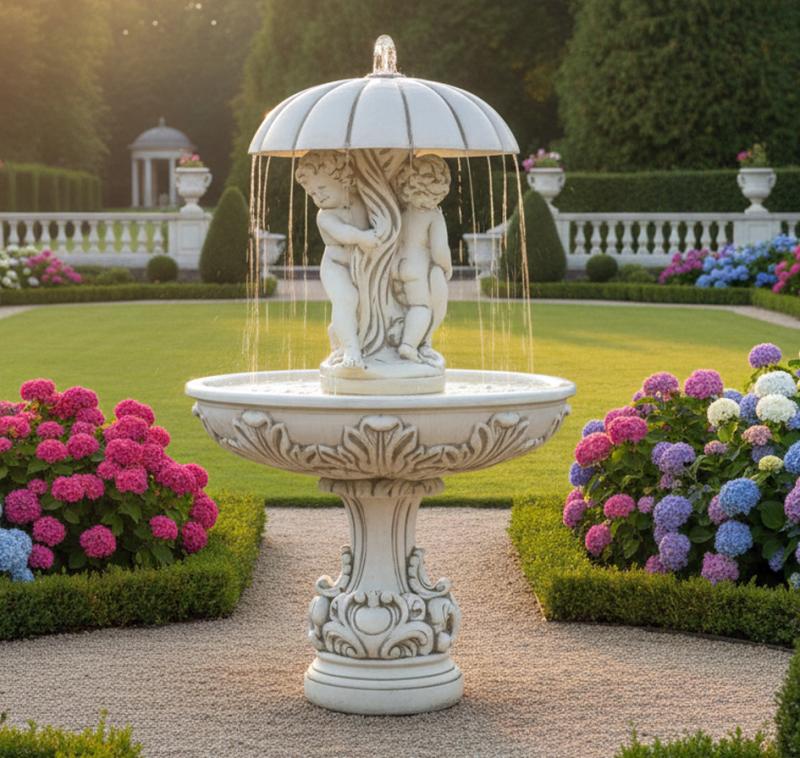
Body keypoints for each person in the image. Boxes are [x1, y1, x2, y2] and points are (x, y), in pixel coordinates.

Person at [295, 151, 380, 369]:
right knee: (347, 299)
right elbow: (343, 233)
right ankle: (351, 351)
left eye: (322, 188)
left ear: (342, 179)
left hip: (360, 266)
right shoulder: (325, 216)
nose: (318, 196)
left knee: (364, 306)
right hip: (335, 266)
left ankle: (338, 335)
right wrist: (363, 237)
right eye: (312, 193)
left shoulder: (362, 200)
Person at [392, 155, 452, 364]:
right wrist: (447, 267)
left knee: (402, 305)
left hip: (395, 265)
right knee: (421, 307)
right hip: (416, 267)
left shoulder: (402, 212)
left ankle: (395, 331)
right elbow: (439, 250)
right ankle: (409, 345)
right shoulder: (433, 215)